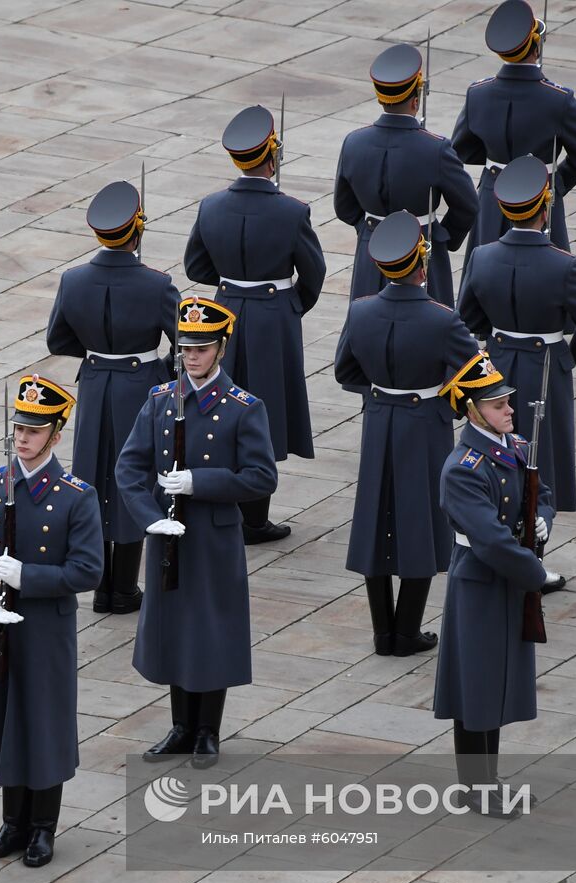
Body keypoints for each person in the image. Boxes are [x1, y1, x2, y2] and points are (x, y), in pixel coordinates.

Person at [0, 375, 103, 868]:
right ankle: (13, 822)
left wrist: (28, 575)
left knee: (44, 721)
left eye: (35, 431)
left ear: (56, 435)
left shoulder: (77, 495)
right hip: (0, 622)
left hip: (46, 626)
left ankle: (43, 827)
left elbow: (88, 569)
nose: (24, 440)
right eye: (18, 430)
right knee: (7, 718)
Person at [118, 298, 277, 765]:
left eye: (202, 348)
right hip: (169, 533)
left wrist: (201, 482)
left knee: (211, 630)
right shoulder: (159, 400)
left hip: (213, 536)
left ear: (221, 349)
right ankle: (181, 726)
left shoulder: (244, 408)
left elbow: (261, 477)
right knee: (174, 629)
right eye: (186, 348)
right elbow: (129, 467)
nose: (191, 356)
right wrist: (150, 516)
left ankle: (209, 729)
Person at [334, 213, 479, 656]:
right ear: (422, 263)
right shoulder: (442, 320)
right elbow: (474, 381)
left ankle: (384, 632)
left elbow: (346, 370)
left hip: (380, 419)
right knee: (422, 520)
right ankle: (408, 630)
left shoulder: (360, 311)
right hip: (424, 425)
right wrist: (445, 403)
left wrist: (382, 390)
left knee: (375, 520)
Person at [184, 104, 325, 543]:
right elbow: (314, 272)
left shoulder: (210, 206)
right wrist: (290, 305)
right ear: (272, 155)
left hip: (224, 310)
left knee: (222, 401)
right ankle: (255, 519)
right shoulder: (292, 211)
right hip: (272, 316)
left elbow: (195, 265)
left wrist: (232, 283)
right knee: (263, 408)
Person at [432, 353, 557, 817]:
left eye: (507, 401)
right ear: (472, 411)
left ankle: (490, 779)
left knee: (499, 681)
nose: (509, 410)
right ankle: (475, 787)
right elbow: (488, 538)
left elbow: (542, 496)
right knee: (477, 686)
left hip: (508, 578)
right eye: (498, 404)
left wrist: (541, 523)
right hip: (481, 584)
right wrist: (535, 573)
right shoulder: (464, 467)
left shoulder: (516, 446)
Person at [47, 181, 178, 613]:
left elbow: (57, 339)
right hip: (139, 388)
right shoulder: (157, 285)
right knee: (132, 477)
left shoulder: (73, 279)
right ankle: (123, 587)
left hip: (95, 381)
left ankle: (101, 584)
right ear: (137, 229)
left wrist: (97, 355)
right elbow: (185, 344)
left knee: (94, 476)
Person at [458, 155, 576, 521]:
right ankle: (535, 547)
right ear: (545, 209)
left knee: (496, 450)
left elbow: (469, 316)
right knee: (542, 458)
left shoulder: (482, 256)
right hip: (546, 366)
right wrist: (572, 357)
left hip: (497, 365)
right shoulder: (562, 264)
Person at [452, 0, 576, 273]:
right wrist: (556, 182)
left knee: (486, 278)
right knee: (546, 277)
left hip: (492, 194)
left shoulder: (478, 94)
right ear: (536, 45)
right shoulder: (558, 99)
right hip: (540, 195)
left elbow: (461, 149)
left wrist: (494, 158)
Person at [334, 43, 478, 307]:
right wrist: (443, 237)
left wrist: (369, 230)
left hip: (372, 249)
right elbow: (468, 204)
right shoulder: (436, 148)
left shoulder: (353, 143)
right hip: (421, 250)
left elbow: (343, 207)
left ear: (380, 96)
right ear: (416, 97)